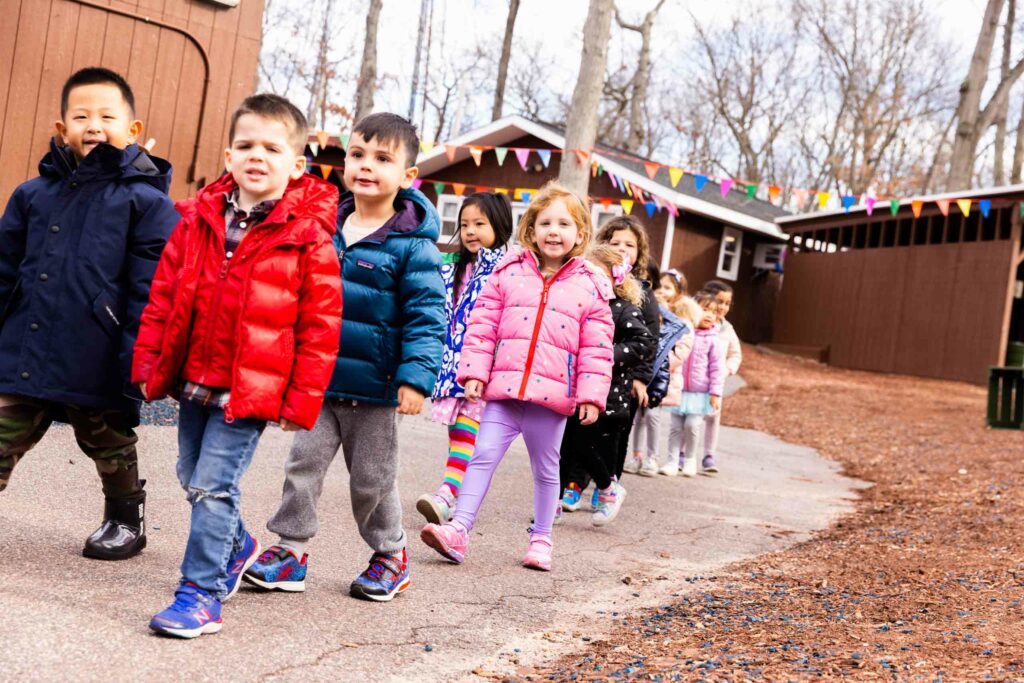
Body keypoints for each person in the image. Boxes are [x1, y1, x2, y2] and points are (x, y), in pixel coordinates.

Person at [134, 94, 342, 637]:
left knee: (212, 486)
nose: (257, 156)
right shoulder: (199, 218)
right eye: (246, 145)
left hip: (248, 390)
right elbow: (162, 293)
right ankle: (238, 543)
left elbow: (320, 330)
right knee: (190, 476)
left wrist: (300, 401)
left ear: (297, 165)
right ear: (229, 155)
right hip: (194, 378)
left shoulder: (308, 239)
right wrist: (150, 359)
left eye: (272, 148)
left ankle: (200, 594)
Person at [245, 112, 445, 602]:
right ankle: (289, 550)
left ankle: (390, 554)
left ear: (408, 176)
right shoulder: (322, 228)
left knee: (371, 482)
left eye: (382, 158)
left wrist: (416, 378)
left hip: (375, 392)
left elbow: (427, 316)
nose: (365, 166)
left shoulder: (413, 247)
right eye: (357, 154)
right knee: (302, 467)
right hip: (317, 384)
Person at [0, 67, 178, 560]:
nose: (93, 124)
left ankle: (125, 517)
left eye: (106, 115)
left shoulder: (146, 203)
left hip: (97, 351)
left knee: (108, 440)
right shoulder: (31, 195)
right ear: (63, 129)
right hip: (25, 348)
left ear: (132, 129)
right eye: (80, 116)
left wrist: (140, 359)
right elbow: (4, 270)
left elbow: (151, 292)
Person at [419, 182, 614, 571]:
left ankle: (542, 537)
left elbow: (598, 346)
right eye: (545, 223)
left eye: (564, 224)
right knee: (482, 455)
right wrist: (473, 372)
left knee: (546, 469)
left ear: (580, 234)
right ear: (531, 229)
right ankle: (459, 528)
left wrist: (592, 395)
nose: (553, 231)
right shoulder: (509, 272)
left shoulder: (589, 285)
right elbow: (482, 326)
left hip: (551, 399)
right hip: (504, 393)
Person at [416, 192, 513, 524]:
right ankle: (460, 494)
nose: (470, 231)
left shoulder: (507, 269)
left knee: (466, 432)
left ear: (499, 226)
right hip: (451, 365)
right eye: (465, 224)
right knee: (459, 433)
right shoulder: (453, 265)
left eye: (479, 224)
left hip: (485, 366)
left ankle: (446, 493)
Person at [559, 245, 653, 526]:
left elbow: (644, 343)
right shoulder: (577, 303)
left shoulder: (623, 310)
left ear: (616, 278)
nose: (589, 278)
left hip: (609, 396)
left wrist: (602, 355)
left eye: (597, 272)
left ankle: (608, 489)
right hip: (572, 391)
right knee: (564, 447)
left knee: (585, 445)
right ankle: (553, 501)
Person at [595, 217, 659, 484]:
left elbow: (651, 337)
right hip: (594, 372)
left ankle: (611, 481)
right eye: (615, 242)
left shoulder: (643, 293)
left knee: (617, 434)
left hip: (626, 377)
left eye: (629, 245)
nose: (622, 249)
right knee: (585, 429)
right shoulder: (593, 282)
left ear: (639, 252)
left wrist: (641, 378)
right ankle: (575, 482)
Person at [629, 266, 688, 476]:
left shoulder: (679, 321)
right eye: (659, 287)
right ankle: (636, 456)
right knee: (637, 418)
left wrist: (659, 360)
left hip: (662, 380)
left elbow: (681, 352)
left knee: (653, 417)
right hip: (644, 373)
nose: (662, 291)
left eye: (668, 288)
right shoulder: (651, 311)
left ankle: (652, 458)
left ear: (678, 293)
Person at [666, 291, 724, 477]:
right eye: (705, 309)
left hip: (700, 394)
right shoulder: (684, 332)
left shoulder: (714, 340)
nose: (709, 315)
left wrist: (715, 393)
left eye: (713, 312)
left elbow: (717, 368)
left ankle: (690, 460)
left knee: (692, 425)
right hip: (679, 389)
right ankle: (672, 461)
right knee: (675, 427)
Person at [693, 280, 742, 472]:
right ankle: (681, 453)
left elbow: (735, 354)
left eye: (727, 303)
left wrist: (726, 369)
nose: (723, 307)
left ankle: (709, 455)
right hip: (694, 379)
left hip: (715, 381)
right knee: (689, 416)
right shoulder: (696, 324)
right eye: (720, 302)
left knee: (713, 416)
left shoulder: (727, 330)